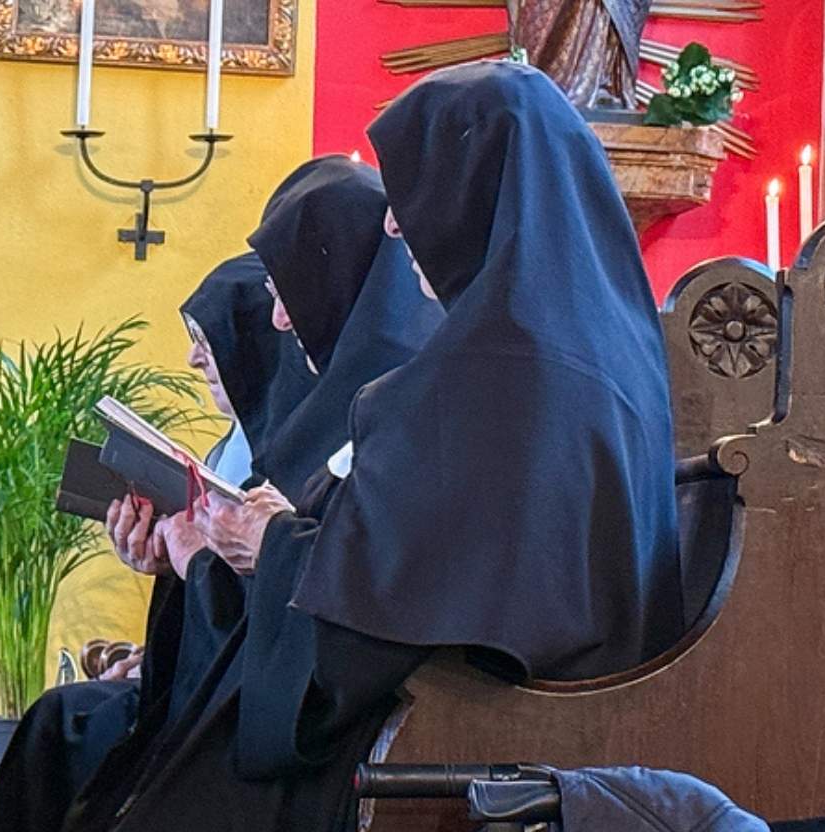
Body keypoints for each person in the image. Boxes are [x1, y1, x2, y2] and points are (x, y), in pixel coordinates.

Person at [67, 60, 685, 831]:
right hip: (577, 729)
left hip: (471, 745)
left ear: (472, 189)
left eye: (411, 195)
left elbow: (349, 655)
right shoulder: (601, 340)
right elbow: (438, 571)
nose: (394, 226)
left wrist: (268, 541)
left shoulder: (491, 373)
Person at [0, 251, 314, 832]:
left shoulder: (298, 448)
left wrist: (193, 563)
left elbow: (281, 601)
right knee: (58, 723)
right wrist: (163, 571)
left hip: (248, 708)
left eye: (209, 340)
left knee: (69, 731)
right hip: (200, 683)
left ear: (250, 342)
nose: (194, 359)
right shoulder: (223, 448)